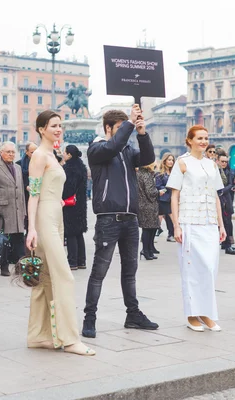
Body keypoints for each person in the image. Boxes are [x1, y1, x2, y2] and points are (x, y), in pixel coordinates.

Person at [82, 106, 159, 338]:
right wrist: (129, 125)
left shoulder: (127, 150)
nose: (124, 133)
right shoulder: (97, 148)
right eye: (119, 128)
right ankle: (90, 317)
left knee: (130, 271)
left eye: (125, 128)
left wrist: (142, 133)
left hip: (130, 219)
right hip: (108, 219)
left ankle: (133, 315)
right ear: (108, 128)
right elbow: (112, 146)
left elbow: (148, 158)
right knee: (99, 271)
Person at [25, 110, 95, 356]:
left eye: (60, 126)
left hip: (56, 217)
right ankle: (69, 339)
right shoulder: (40, 157)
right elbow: (33, 195)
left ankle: (38, 335)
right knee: (64, 276)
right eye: (53, 125)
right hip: (45, 219)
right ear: (41, 128)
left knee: (44, 279)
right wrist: (32, 228)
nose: (58, 129)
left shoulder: (53, 156)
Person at [167, 125, 226, 332]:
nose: (203, 141)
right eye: (199, 138)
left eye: (206, 138)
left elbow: (216, 196)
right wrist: (176, 225)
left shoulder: (212, 165)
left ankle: (206, 313)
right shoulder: (182, 163)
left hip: (209, 222)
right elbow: (174, 196)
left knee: (210, 269)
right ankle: (192, 314)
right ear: (189, 140)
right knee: (192, 269)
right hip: (189, 221)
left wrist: (221, 223)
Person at [0, 142, 27, 276]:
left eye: (13, 152)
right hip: (2, 211)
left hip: (17, 209)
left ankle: (21, 266)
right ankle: (4, 266)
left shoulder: (18, 168)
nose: (11, 154)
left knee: (19, 239)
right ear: (1, 153)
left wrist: (24, 211)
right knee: (3, 240)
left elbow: (20, 189)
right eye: (8, 152)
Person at [62, 145, 88, 271]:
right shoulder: (82, 167)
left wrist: (62, 197)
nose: (63, 154)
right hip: (81, 203)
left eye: (65, 153)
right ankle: (81, 261)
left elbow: (68, 187)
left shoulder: (68, 168)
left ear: (70, 155)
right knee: (79, 233)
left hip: (70, 204)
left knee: (71, 232)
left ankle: (72, 261)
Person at [137, 162, 160, 261]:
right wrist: (159, 192)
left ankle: (147, 250)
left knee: (147, 228)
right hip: (149, 205)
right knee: (148, 229)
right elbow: (150, 192)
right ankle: (146, 251)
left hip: (141, 204)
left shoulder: (139, 174)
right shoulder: (147, 175)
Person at [216, 150, 235, 255]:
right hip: (217, 199)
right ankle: (222, 242)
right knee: (219, 222)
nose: (224, 163)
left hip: (227, 198)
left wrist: (222, 190)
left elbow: (231, 185)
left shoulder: (230, 171)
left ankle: (229, 243)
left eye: (225, 161)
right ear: (218, 161)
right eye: (222, 161)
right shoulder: (215, 171)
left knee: (228, 221)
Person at [155, 153, 176, 242]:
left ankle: (171, 234)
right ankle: (155, 232)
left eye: (172, 160)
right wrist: (167, 188)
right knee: (162, 216)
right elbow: (158, 186)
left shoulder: (175, 173)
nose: (171, 162)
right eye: (169, 160)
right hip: (163, 199)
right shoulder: (160, 174)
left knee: (171, 217)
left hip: (173, 198)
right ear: (164, 161)